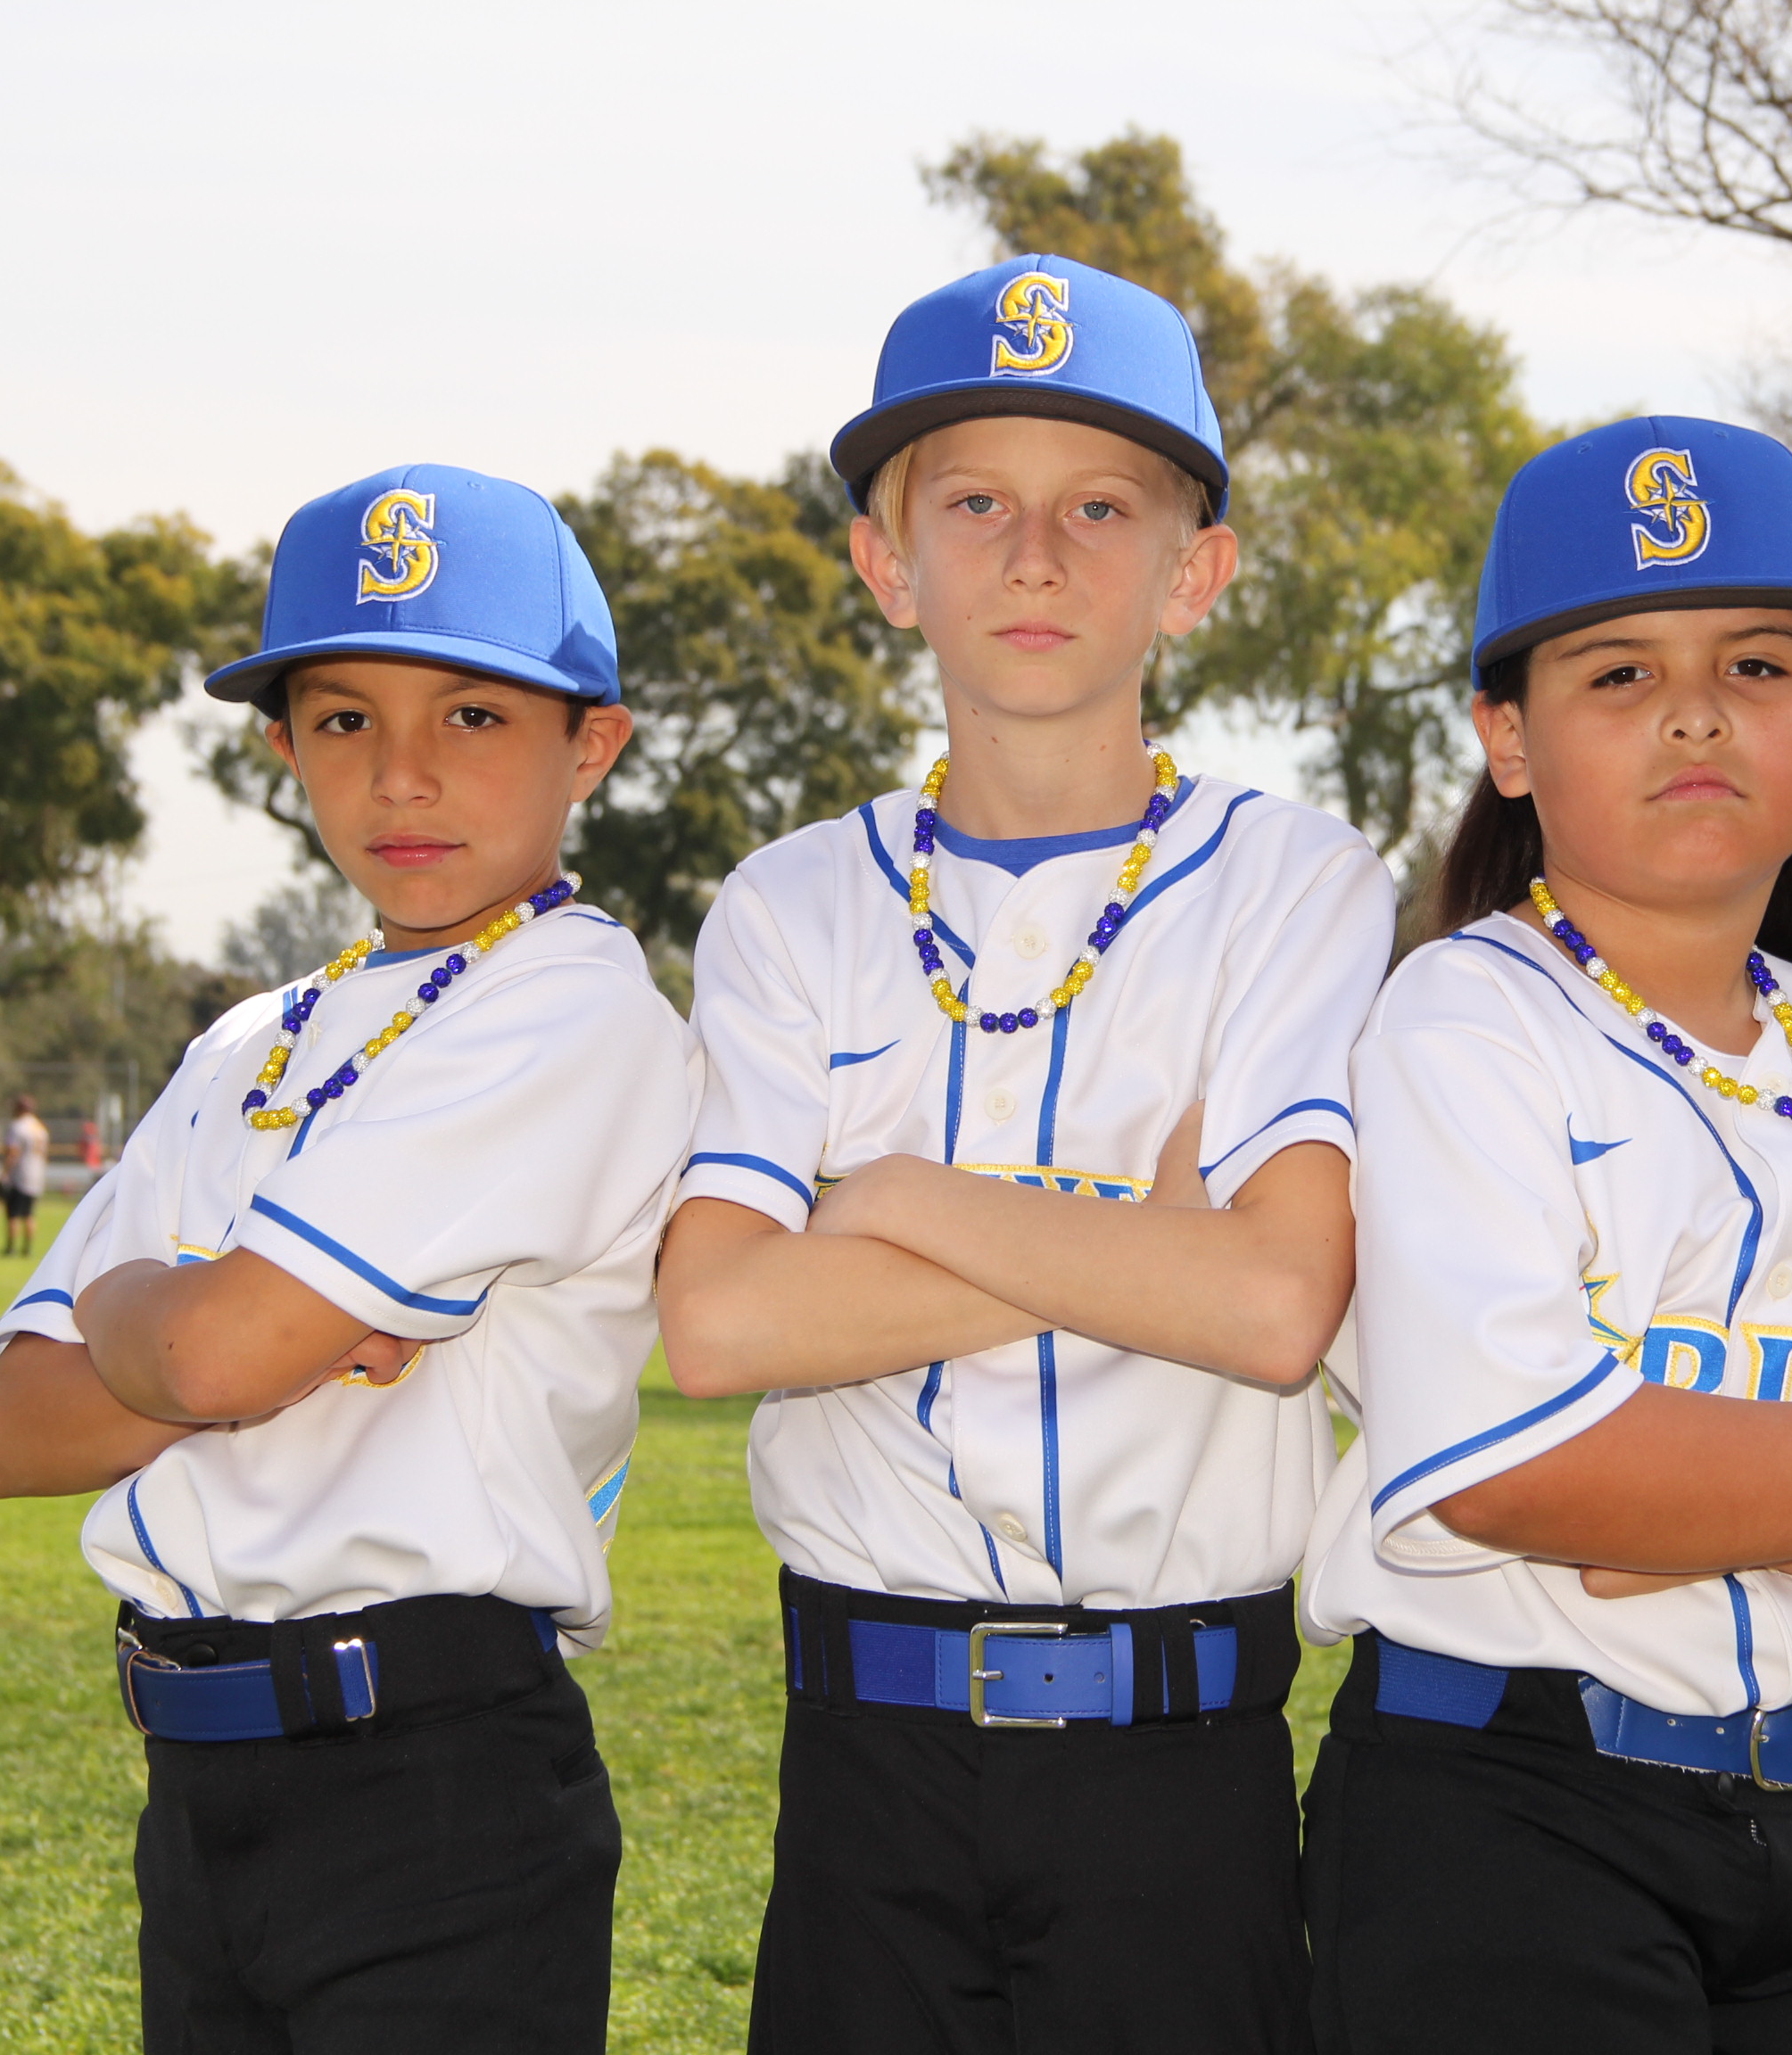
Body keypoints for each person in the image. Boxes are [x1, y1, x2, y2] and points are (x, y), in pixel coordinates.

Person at [1298, 416, 1792, 2055]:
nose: (1695, 712)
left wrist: (1679, 1495)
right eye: (1618, 673)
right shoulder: (1461, 1020)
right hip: (1507, 1818)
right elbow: (1525, 1469)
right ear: (1507, 738)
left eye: (1756, 663)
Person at [658, 254, 1397, 2055]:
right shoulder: (789, 902)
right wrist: (1140, 1249)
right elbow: (720, 1327)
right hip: (868, 1754)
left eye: (1102, 508)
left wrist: (898, 1203)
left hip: (1181, 1752)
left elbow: (1274, 1305)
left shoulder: (1296, 882)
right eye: (975, 503)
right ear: (887, 561)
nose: (1037, 556)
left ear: (1195, 571)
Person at [0, 466, 698, 2055]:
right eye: (345, 718)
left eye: (474, 716)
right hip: (197, 1781)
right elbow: (13, 1430)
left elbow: (214, 1354)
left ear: (593, 743)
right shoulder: (247, 1039)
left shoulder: (574, 1005)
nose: (402, 774)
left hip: (436, 1782)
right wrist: (217, 1330)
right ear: (284, 747)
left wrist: (153, 1314)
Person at [0, 1094, 49, 1256]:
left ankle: (11, 1248)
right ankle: (28, 1248)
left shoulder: (17, 1127)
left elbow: (13, 1152)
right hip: (36, 1174)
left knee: (13, 1214)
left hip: (20, 1175)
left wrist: (3, 1173)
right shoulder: (40, 1128)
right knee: (29, 1213)